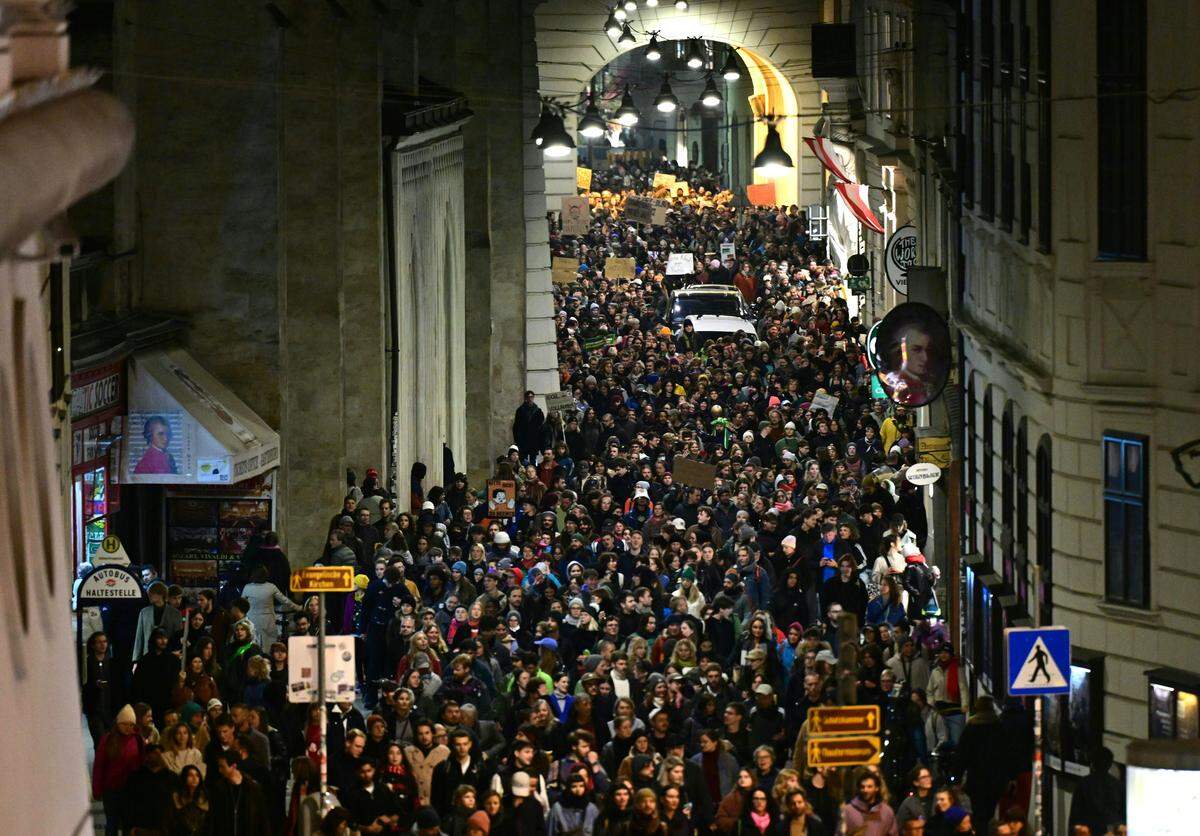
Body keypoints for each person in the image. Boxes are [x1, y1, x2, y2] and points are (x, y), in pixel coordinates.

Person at [92, 703, 144, 836]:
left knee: (128, 822)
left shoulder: (138, 739)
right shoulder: (108, 740)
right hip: (111, 789)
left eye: (131, 725)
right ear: (118, 724)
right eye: (125, 724)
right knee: (112, 822)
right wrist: (97, 789)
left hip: (130, 789)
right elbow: (99, 765)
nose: (128, 728)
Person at [955, 696, 1009, 825]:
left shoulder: (971, 728)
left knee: (978, 813)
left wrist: (956, 777)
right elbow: (1006, 753)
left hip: (976, 778)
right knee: (990, 811)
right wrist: (1009, 777)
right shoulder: (999, 727)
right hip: (996, 779)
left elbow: (962, 755)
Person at [209, 749, 272, 835]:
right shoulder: (219, 789)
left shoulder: (252, 788)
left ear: (233, 766)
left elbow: (262, 817)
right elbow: (214, 820)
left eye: (222, 767)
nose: (220, 770)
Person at [1067, 747, 1124, 836]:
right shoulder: (1118, 786)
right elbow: (1123, 816)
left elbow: (1075, 816)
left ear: (1092, 763)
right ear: (1110, 764)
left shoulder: (1083, 784)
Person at [839, 771, 898, 836]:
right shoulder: (848, 811)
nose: (865, 790)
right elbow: (840, 833)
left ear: (877, 788)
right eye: (862, 787)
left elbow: (893, 833)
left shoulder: (886, 811)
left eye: (869, 787)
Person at [548, 770, 600, 836]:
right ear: (568, 788)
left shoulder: (591, 809)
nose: (578, 790)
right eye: (574, 786)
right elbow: (550, 832)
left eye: (581, 786)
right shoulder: (558, 808)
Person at [164, 763, 211, 835]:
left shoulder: (205, 797)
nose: (194, 778)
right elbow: (168, 822)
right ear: (184, 777)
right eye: (190, 775)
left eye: (197, 775)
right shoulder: (176, 797)